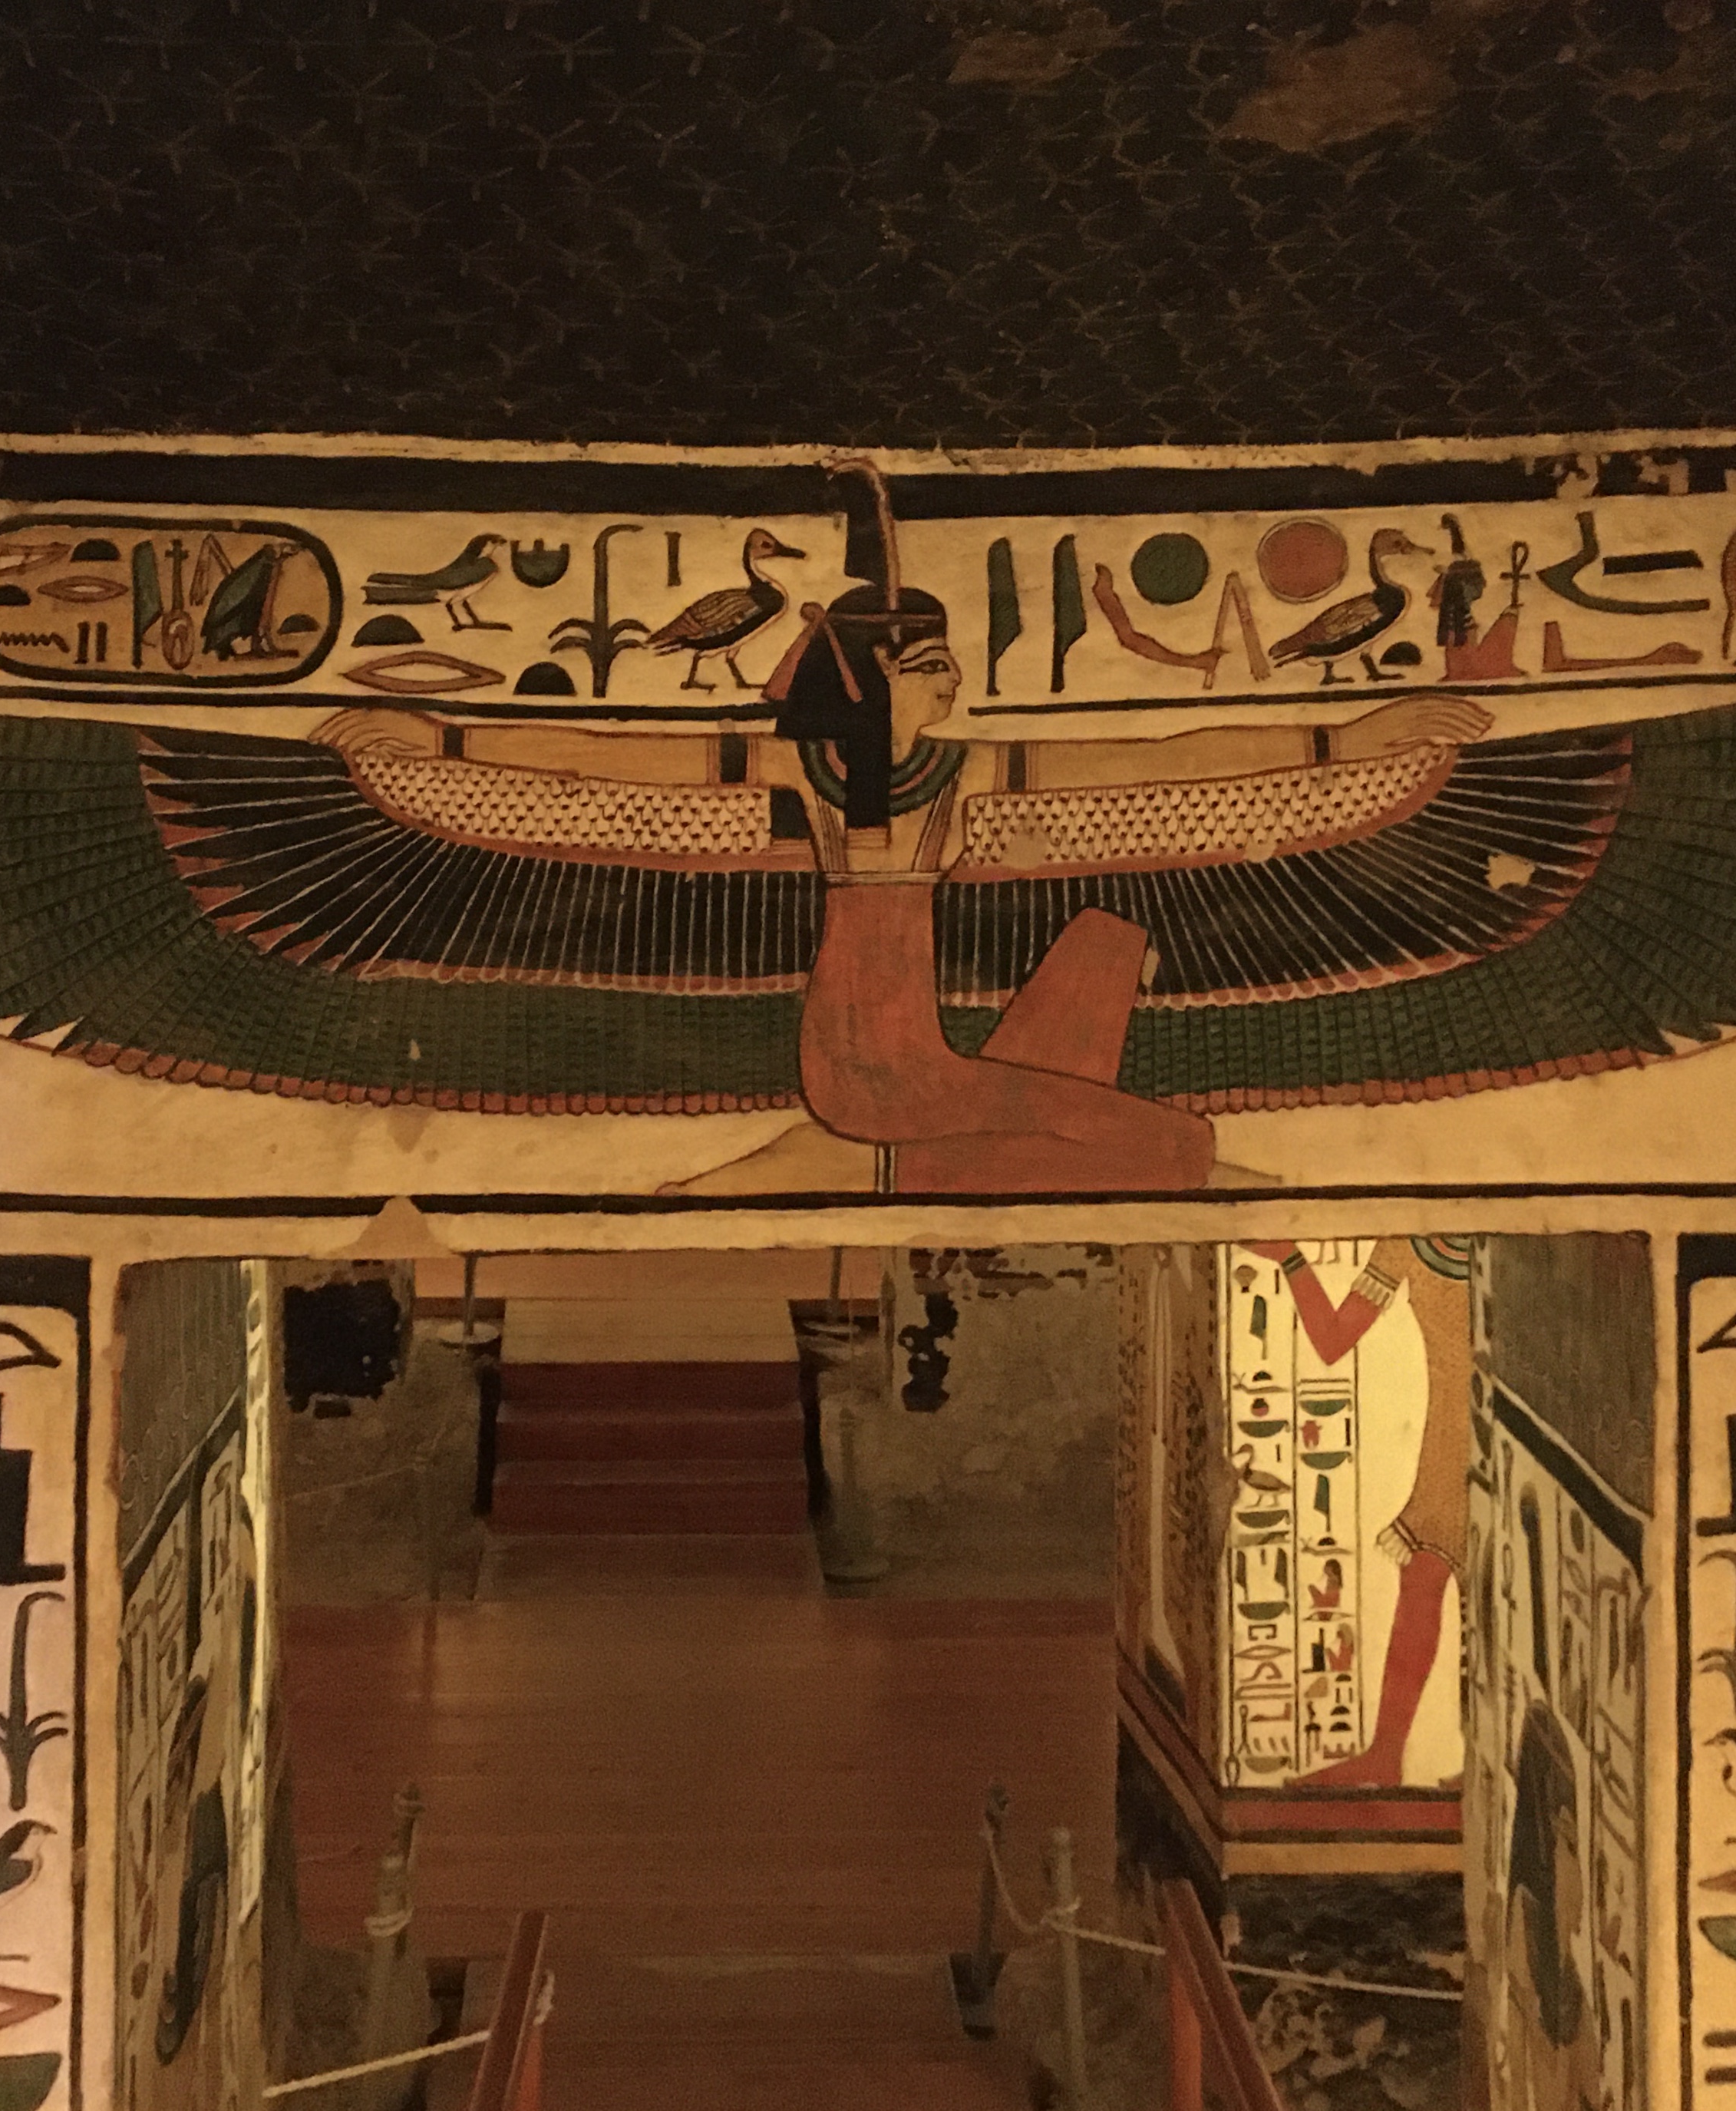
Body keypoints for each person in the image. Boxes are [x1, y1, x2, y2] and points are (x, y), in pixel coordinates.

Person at [321, 487, 1487, 1191]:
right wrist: (440, 738)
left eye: (946, 668)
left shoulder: (957, 771)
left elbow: (1167, 755)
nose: (950, 687)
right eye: (927, 669)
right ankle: (1160, 1164)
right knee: (1141, 1133)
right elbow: (605, 758)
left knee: (1102, 945)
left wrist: (1349, 737)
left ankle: (868, 1165)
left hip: (913, 1060)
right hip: (867, 1066)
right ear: (869, 684)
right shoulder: (808, 773)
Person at [1246, 1234, 1473, 1789]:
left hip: (1505, 1432)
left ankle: (1440, 1757)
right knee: (1424, 1578)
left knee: (1456, 1584)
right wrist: (1291, 1259)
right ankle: (1388, 1755)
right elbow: (1332, 1340)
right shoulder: (1408, 1241)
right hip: (1449, 1449)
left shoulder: (1507, 1237)